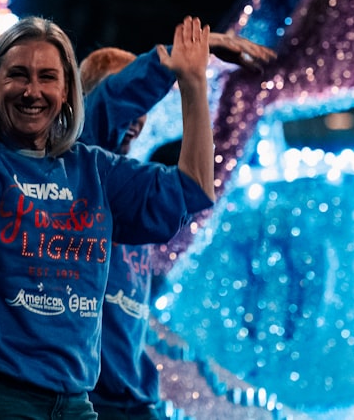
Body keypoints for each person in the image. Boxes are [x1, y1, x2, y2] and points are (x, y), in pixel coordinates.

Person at [0, 0, 216, 420]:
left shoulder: (93, 169)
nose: (32, 91)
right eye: (17, 75)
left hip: (71, 400)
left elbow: (194, 189)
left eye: (47, 78)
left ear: (67, 93)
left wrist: (194, 84)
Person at [79, 34, 274, 420]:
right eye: (131, 95)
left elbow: (194, 191)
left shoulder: (134, 186)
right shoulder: (78, 170)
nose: (137, 116)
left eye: (145, 104)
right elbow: (107, 108)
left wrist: (198, 78)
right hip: (86, 402)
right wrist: (172, 63)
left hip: (134, 399)